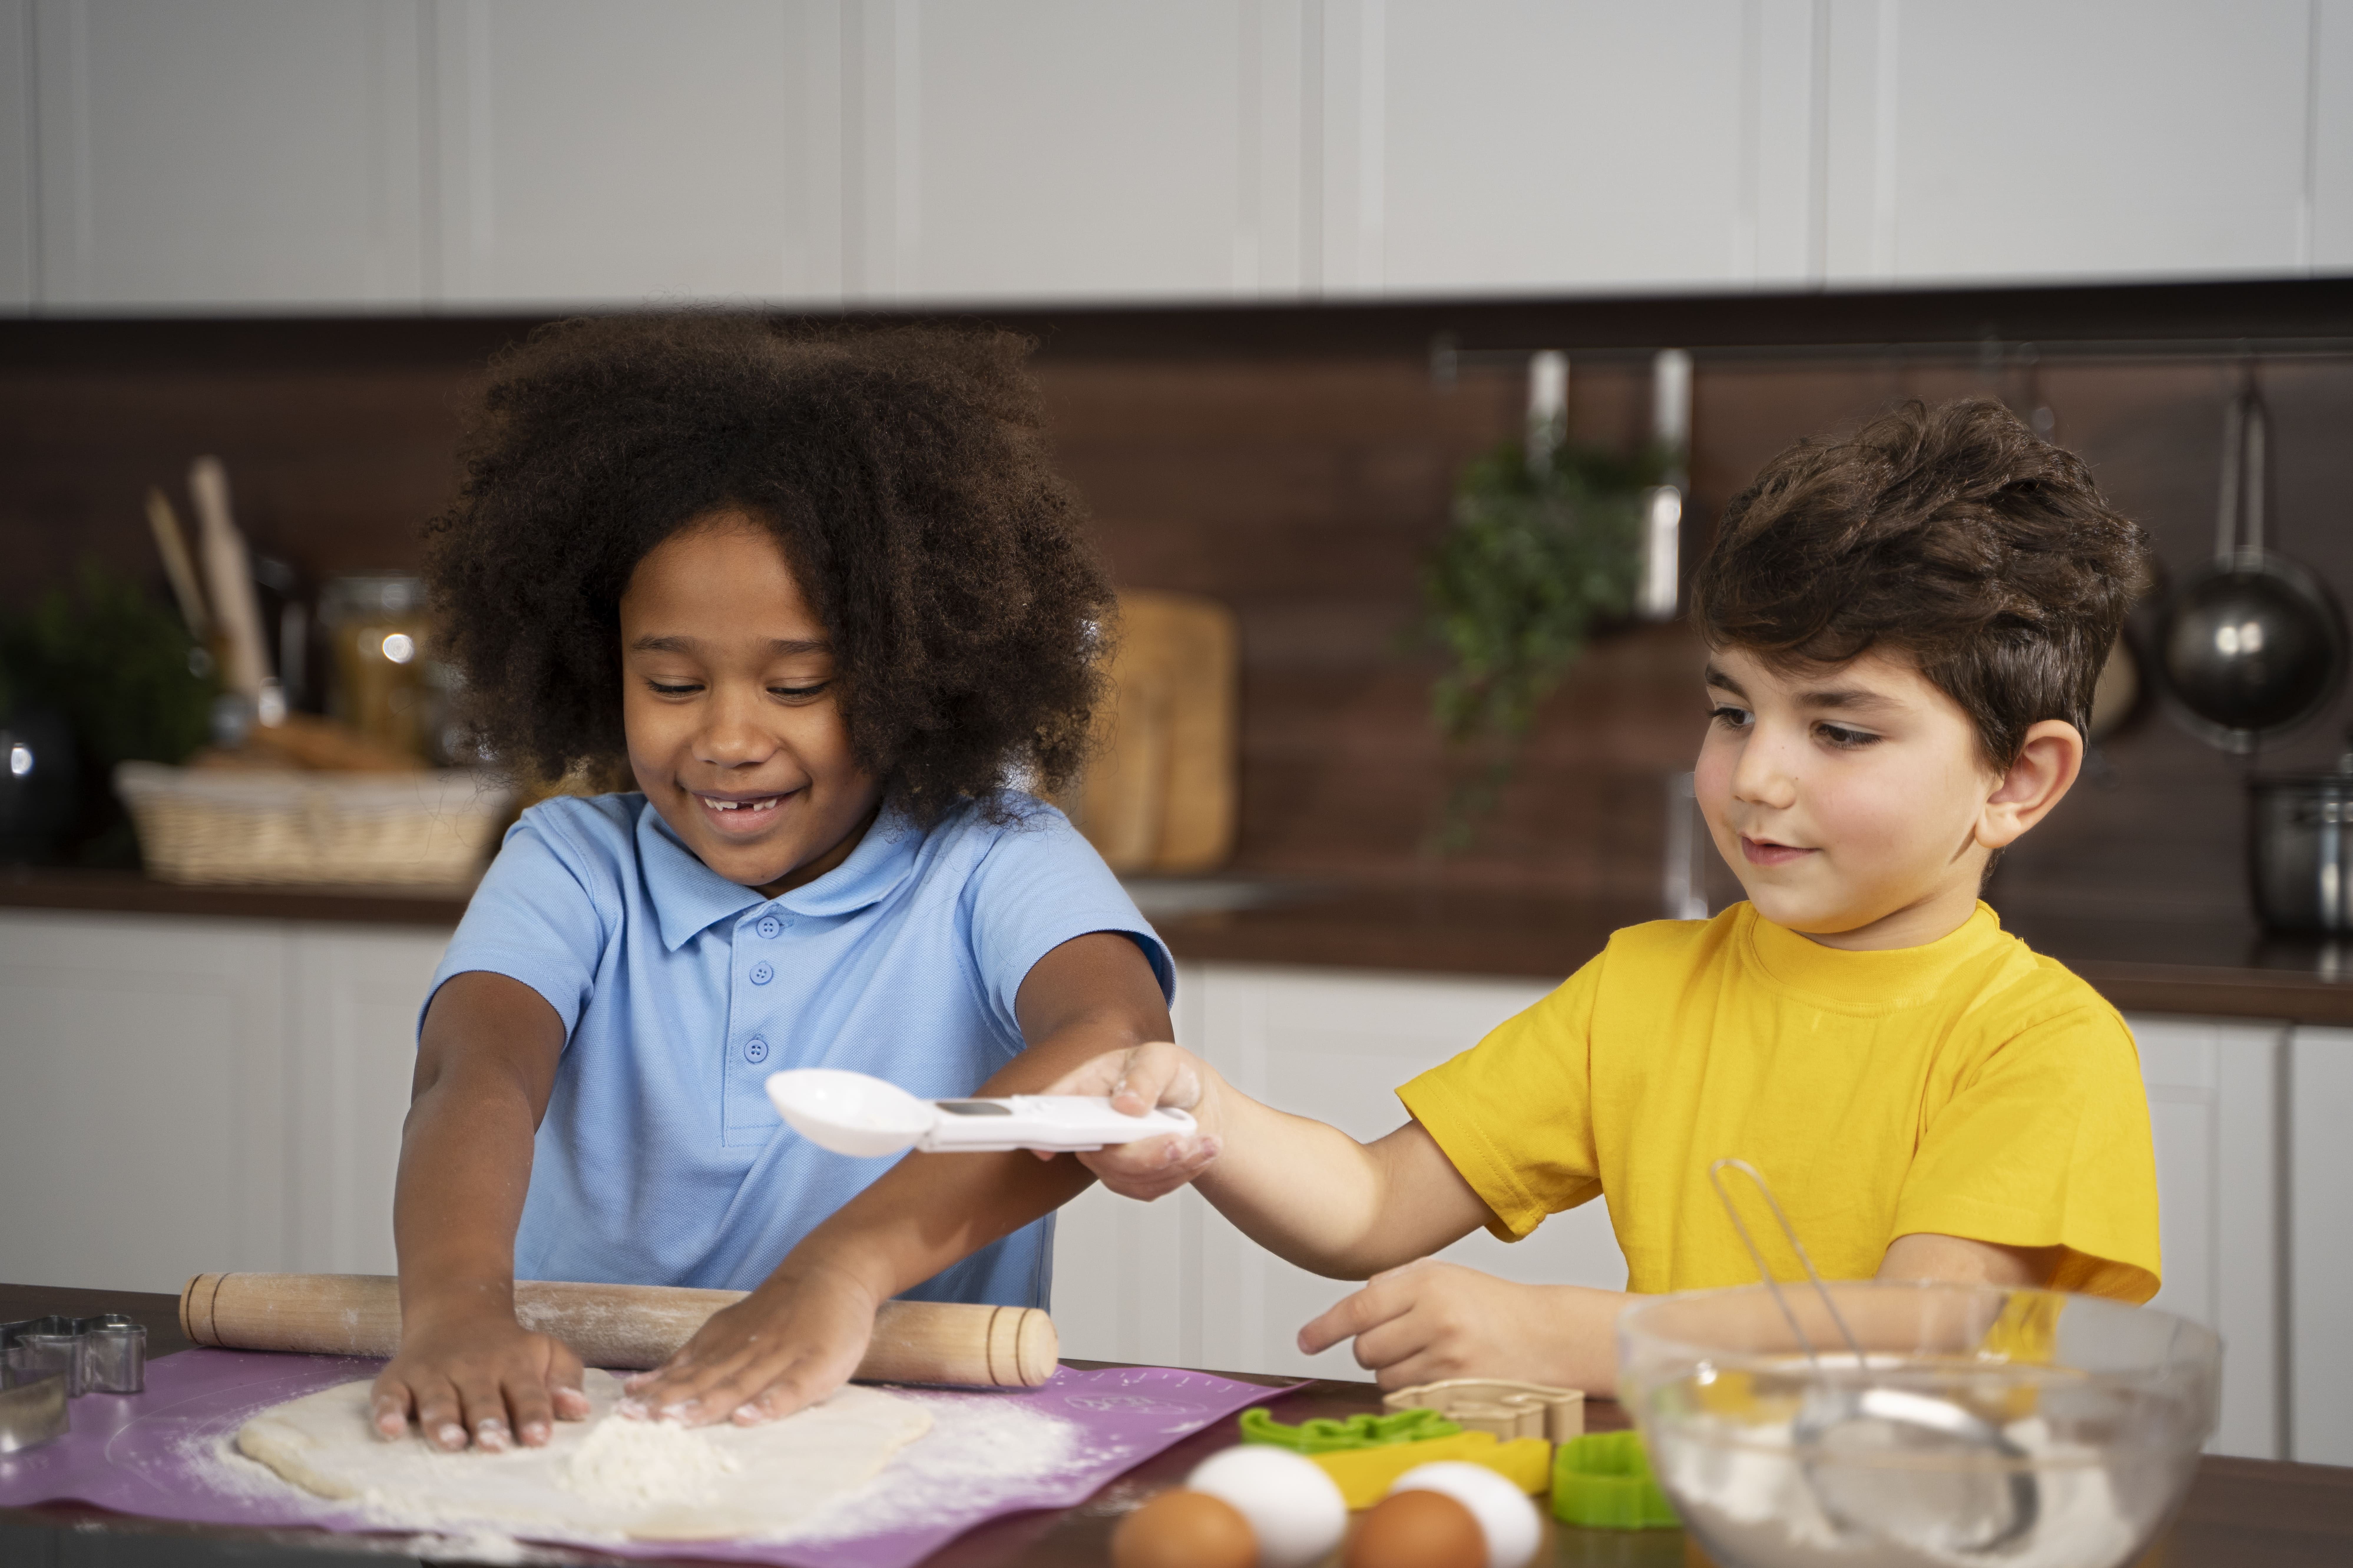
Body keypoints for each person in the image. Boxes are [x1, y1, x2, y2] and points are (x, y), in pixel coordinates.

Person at [1053, 398, 2162, 1394]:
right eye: (1734, 712)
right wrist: (1200, 1113)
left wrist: (1578, 1341)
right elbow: (1371, 1206)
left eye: (1839, 730)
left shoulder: (2041, 1044)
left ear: (2019, 781)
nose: (1755, 776)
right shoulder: (1645, 990)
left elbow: (1924, 1337)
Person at [370, 317, 1194, 1451]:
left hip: (902, 1440)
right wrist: (457, 1314)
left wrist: (840, 1273)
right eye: (671, 680)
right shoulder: (572, 864)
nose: (727, 738)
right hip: (587, 1435)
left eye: (798, 686)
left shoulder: (998, 862)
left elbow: (1111, 1051)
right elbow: (476, 1078)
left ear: (916, 675)